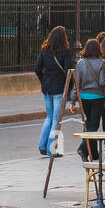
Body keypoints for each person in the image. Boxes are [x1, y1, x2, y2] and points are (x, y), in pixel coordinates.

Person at [33, 26, 72, 157]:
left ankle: (42, 144)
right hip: (59, 88)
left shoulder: (45, 50)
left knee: (49, 117)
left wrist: (43, 80)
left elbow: (37, 68)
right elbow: (68, 72)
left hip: (46, 88)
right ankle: (52, 149)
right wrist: (70, 88)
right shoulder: (66, 52)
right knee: (56, 119)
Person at [70, 39, 105, 159]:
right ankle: (82, 148)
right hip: (97, 96)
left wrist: (73, 100)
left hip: (84, 97)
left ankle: (93, 152)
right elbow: (102, 83)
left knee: (89, 122)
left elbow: (77, 83)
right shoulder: (102, 62)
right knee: (94, 125)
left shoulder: (80, 63)